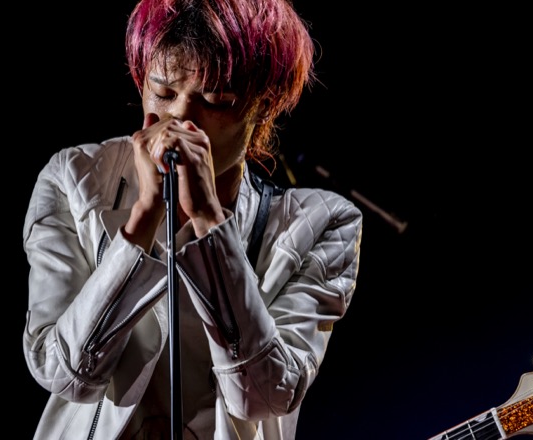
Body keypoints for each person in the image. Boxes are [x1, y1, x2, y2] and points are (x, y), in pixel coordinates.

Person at [22, 0, 363, 438]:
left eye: (216, 100)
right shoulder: (75, 178)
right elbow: (61, 371)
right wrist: (143, 219)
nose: (181, 117)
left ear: (264, 104)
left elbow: (264, 397)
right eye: (163, 93)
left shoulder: (324, 222)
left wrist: (209, 220)